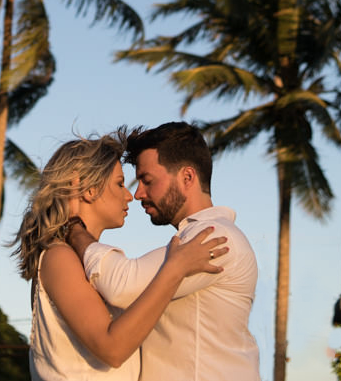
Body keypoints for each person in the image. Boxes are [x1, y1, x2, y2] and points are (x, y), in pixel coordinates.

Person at [11, 129, 229, 380]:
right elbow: (112, 349)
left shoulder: (85, 262)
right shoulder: (59, 257)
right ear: (88, 188)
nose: (130, 195)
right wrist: (176, 268)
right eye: (119, 183)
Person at [64, 122, 261, 381]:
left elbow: (119, 285)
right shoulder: (189, 240)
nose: (137, 193)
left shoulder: (215, 238)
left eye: (147, 180)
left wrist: (75, 230)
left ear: (187, 177)